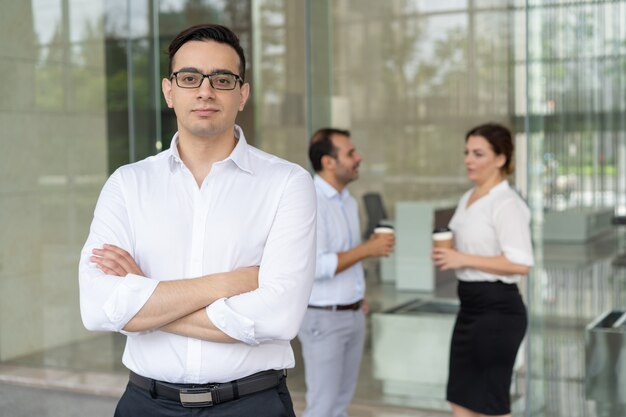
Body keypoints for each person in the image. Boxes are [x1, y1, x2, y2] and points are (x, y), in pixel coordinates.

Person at [78, 24, 317, 417]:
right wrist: (232, 282)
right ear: (169, 91)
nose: (205, 91)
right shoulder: (127, 184)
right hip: (145, 405)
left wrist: (143, 305)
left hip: (251, 405)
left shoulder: (287, 183)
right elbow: (98, 306)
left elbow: (279, 317)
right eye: (189, 78)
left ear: (243, 94)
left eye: (222, 79)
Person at [432, 123, 534, 417]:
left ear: (501, 159)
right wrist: (448, 253)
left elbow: (520, 263)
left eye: (478, 153)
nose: (468, 160)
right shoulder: (470, 197)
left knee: (490, 404)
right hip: (471, 308)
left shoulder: (506, 203)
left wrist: (461, 258)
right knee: (461, 400)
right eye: (466, 152)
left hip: (498, 312)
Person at [298, 128, 395, 417]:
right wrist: (370, 248)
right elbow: (316, 265)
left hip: (352, 312)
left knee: (339, 404)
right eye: (350, 153)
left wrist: (358, 295)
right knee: (322, 406)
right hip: (322, 318)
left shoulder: (348, 201)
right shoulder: (310, 201)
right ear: (329, 161)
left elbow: (345, 256)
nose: (358, 157)